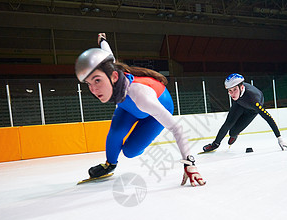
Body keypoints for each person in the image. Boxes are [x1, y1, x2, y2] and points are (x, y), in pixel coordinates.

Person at [75, 33, 205, 187]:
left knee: (130, 152)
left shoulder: (141, 96)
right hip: (129, 107)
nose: (94, 90)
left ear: (114, 77)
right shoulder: (111, 70)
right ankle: (110, 164)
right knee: (114, 135)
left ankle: (138, 139)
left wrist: (189, 163)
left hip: (155, 109)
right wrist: (103, 40)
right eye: (89, 84)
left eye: (97, 80)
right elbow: (108, 54)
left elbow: (177, 128)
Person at [203, 73, 287, 152]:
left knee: (232, 132)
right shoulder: (237, 95)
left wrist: (280, 138)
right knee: (228, 124)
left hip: (251, 110)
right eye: (230, 91)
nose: (232, 94)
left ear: (241, 87)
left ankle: (235, 134)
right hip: (239, 103)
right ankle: (215, 144)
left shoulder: (253, 100)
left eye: (235, 90)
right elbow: (227, 123)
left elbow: (268, 117)